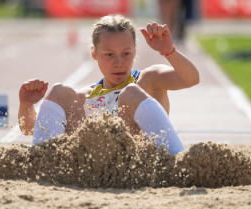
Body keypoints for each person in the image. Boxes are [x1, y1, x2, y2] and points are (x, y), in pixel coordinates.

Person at [18, 15, 199, 155]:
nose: (118, 63)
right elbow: (33, 129)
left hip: (138, 165)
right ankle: (41, 162)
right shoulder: (82, 97)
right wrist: (26, 105)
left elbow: (191, 79)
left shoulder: (149, 80)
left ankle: (178, 161)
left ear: (135, 52)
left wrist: (169, 51)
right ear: (94, 54)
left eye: (126, 53)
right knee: (59, 91)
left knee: (130, 93)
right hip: (91, 167)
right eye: (109, 55)